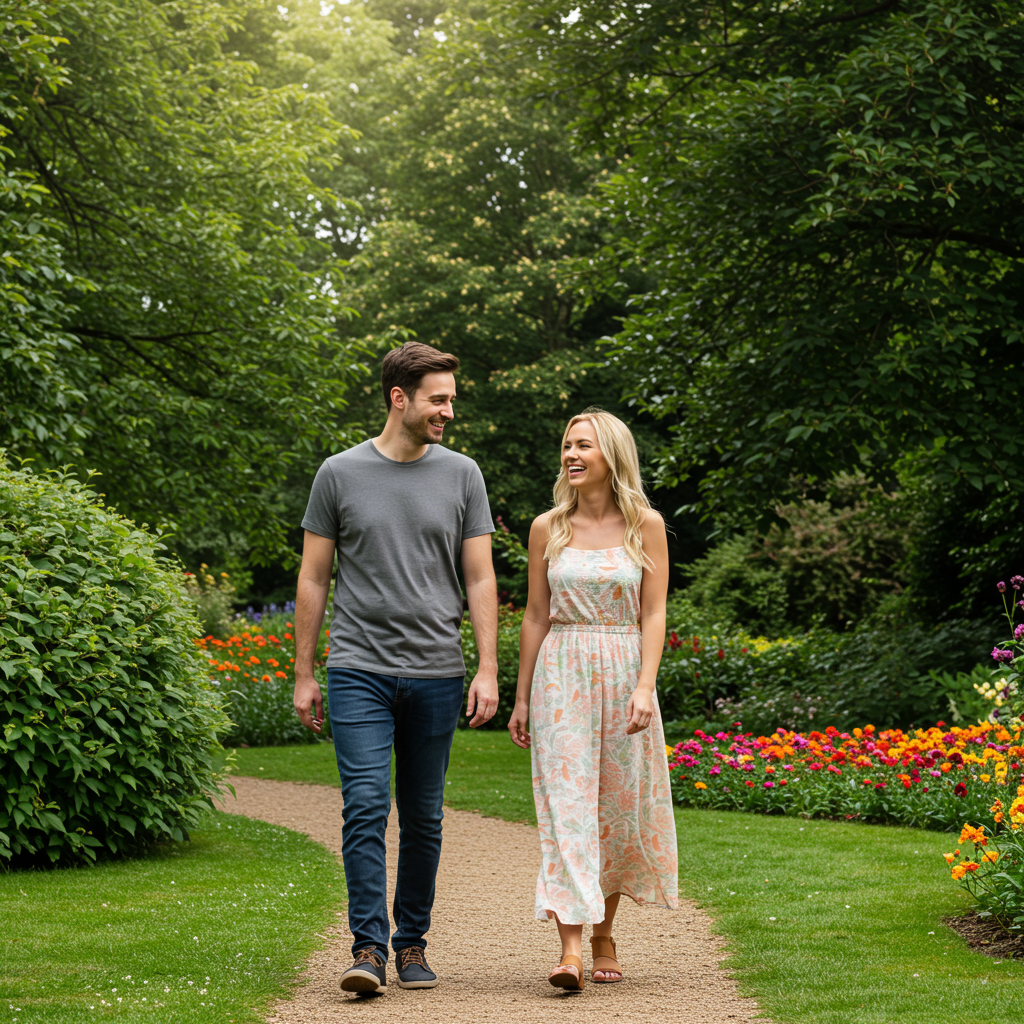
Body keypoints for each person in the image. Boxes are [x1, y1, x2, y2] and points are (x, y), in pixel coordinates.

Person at [293, 341, 499, 996]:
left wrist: (488, 667)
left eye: (451, 401)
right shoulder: (339, 474)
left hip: (437, 669)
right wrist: (304, 671)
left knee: (424, 814)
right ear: (399, 398)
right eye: (439, 399)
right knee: (363, 806)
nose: (448, 412)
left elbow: (479, 576)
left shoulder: (462, 474)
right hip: (358, 667)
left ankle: (411, 942)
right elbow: (314, 577)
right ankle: (368, 948)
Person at [507, 409, 679, 990]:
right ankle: (573, 949)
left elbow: (653, 611)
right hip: (562, 676)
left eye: (583, 445)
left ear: (612, 455)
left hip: (624, 666)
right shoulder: (546, 527)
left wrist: (645, 686)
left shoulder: (645, 525)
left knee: (616, 808)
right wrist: (523, 696)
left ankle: (605, 932)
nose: (570, 455)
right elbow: (534, 615)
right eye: (566, 445)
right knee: (568, 807)